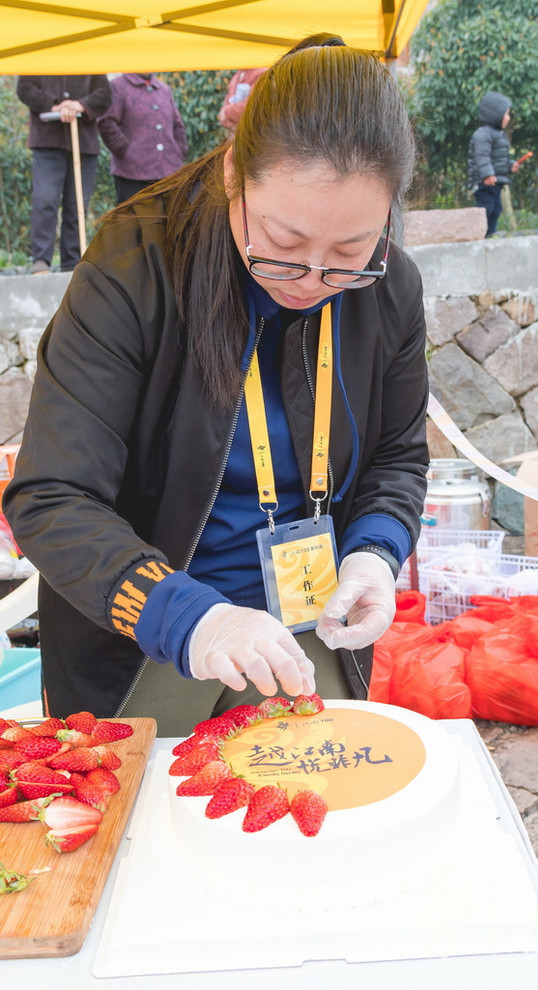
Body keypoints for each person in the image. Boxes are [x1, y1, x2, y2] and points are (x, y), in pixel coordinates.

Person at [4, 37, 429, 737]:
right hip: (148, 634)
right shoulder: (134, 267)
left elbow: (397, 458)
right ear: (235, 171)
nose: (312, 284)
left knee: (311, 815)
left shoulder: (391, 287)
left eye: (349, 254)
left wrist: (374, 553)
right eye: (282, 245)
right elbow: (52, 496)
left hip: (305, 628)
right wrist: (192, 617)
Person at [16, 75, 112, 273]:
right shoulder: (38, 54)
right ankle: (41, 260)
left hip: (83, 143)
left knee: (77, 204)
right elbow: (25, 87)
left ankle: (72, 261)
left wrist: (80, 105)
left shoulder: (88, 59)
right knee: (45, 199)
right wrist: (54, 105)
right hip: (47, 141)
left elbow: (104, 94)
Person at [98, 73, 189, 205]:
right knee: (132, 223)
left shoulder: (163, 89)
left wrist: (179, 150)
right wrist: (125, 151)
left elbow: (177, 125)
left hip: (169, 172)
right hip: (131, 174)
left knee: (169, 221)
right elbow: (106, 122)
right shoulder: (117, 86)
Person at [467, 90, 519, 237]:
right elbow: (481, 156)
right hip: (485, 183)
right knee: (486, 210)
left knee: (496, 209)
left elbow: (499, 159)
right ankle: (481, 236)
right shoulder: (482, 134)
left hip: (495, 183)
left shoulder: (498, 135)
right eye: (506, 114)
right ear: (495, 114)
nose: (508, 118)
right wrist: (487, 174)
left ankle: (490, 235)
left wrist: (510, 165)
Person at [217, 67, 268, 134]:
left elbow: (253, 106)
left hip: (255, 133)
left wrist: (227, 112)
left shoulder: (262, 73)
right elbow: (228, 101)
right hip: (236, 132)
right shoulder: (236, 76)